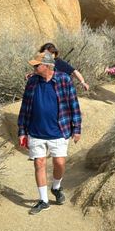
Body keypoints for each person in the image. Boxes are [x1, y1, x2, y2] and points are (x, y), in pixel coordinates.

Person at [17, 51, 82, 215]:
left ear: (46, 66)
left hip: (59, 130)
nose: (33, 67)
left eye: (36, 65)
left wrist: (77, 128)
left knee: (59, 163)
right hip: (35, 132)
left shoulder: (64, 80)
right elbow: (25, 107)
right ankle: (43, 200)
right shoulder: (32, 82)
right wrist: (22, 131)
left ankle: (56, 187)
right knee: (39, 164)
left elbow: (73, 104)